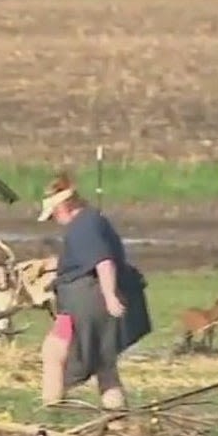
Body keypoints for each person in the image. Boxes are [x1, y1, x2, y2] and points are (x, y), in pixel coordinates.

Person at [37, 172, 152, 412]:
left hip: (87, 303)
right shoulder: (91, 221)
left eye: (53, 216)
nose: (54, 221)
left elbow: (103, 261)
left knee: (53, 352)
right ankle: (118, 420)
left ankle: (52, 412)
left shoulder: (83, 226)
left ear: (61, 209)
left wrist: (109, 296)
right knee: (105, 365)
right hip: (91, 300)